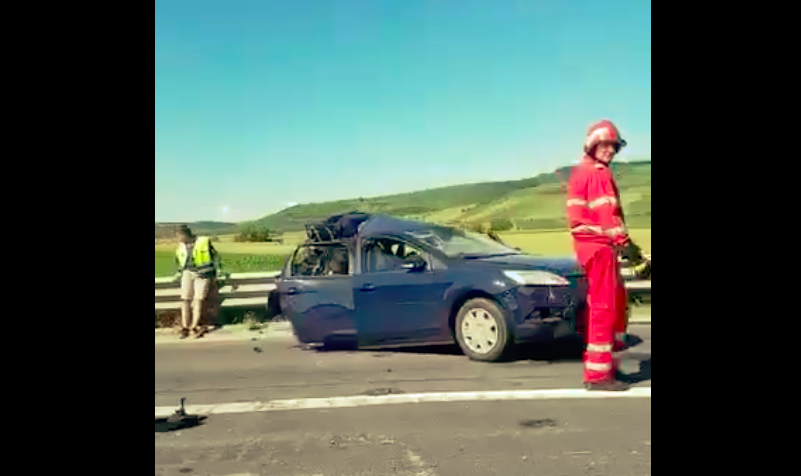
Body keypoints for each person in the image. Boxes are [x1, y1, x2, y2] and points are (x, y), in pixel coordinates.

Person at [566, 120, 648, 392]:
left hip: (591, 246)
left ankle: (605, 369)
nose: (610, 151)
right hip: (600, 246)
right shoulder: (598, 173)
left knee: (606, 306)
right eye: (605, 145)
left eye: (613, 146)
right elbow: (607, 214)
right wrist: (630, 248)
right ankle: (599, 376)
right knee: (604, 308)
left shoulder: (580, 171)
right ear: (592, 145)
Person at [173, 225, 222, 339]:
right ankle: (185, 327)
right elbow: (180, 260)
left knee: (198, 299)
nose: (179, 239)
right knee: (185, 299)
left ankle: (194, 327)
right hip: (187, 273)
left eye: (179, 236)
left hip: (203, 273)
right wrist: (179, 272)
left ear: (185, 234)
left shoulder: (203, 241)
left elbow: (215, 256)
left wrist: (217, 270)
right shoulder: (181, 246)